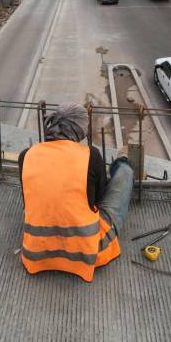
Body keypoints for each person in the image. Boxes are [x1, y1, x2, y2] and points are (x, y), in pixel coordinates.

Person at [19, 103, 134, 282]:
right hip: (85, 250)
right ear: (79, 130)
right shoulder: (91, 155)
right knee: (125, 174)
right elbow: (99, 199)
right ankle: (121, 161)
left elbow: (28, 202)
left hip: (37, 250)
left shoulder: (26, 155)